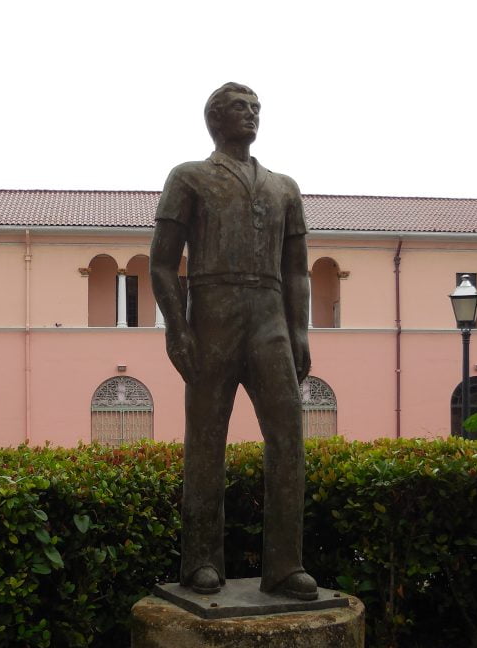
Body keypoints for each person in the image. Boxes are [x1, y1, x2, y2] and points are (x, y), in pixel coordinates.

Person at [150, 82, 317, 600]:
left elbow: (297, 271)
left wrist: (299, 330)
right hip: (213, 317)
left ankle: (285, 566)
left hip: (269, 319)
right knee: (205, 440)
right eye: (241, 108)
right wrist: (177, 328)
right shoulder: (190, 177)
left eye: (256, 108)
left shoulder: (283, 186)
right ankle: (200, 560)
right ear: (215, 119)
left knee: (288, 438)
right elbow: (160, 262)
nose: (252, 115)